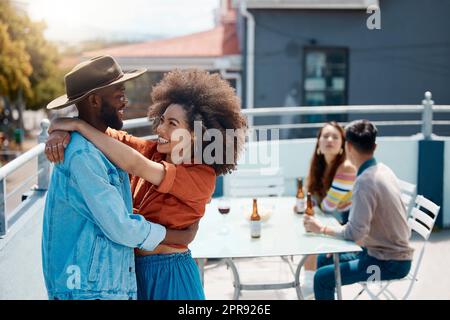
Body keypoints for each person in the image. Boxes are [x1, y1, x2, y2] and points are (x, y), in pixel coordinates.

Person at [46, 68, 247, 300]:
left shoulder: (201, 176)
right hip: (133, 274)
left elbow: (136, 165)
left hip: (171, 275)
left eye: (172, 124)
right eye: (162, 120)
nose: (160, 129)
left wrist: (78, 127)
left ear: (195, 133)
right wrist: (61, 131)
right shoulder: (154, 153)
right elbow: (104, 134)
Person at [303, 119, 413, 300]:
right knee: (324, 259)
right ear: (375, 146)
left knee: (322, 278)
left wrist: (320, 229)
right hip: (381, 252)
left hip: (388, 262)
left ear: (348, 146)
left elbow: (355, 232)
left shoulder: (364, 182)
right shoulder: (383, 170)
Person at [301, 122, 356, 298]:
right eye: (325, 136)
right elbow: (311, 196)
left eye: (335, 137)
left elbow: (327, 206)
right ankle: (308, 285)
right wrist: (308, 204)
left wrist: (312, 204)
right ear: (318, 142)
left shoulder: (346, 167)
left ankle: (309, 287)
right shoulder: (320, 165)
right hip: (333, 219)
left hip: (349, 228)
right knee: (306, 231)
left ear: (342, 144)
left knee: (311, 236)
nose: (329, 140)